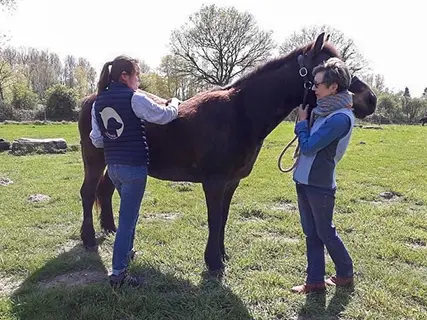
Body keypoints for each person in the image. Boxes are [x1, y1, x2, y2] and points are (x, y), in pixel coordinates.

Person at [89, 55, 180, 288]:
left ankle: (127, 253)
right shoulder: (135, 99)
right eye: (137, 75)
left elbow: (97, 140)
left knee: (131, 214)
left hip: (114, 169)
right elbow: (164, 116)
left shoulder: (98, 102)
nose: (138, 81)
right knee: (127, 221)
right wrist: (175, 102)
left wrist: (115, 140)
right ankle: (118, 274)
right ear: (124, 76)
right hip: (134, 169)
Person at [291, 57, 355, 294]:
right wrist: (307, 122)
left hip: (319, 185)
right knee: (312, 232)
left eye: (318, 84)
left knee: (325, 232)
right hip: (305, 180)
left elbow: (309, 147)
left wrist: (302, 123)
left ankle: (345, 273)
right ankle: (315, 281)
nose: (314, 88)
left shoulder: (339, 118)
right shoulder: (325, 113)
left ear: (333, 87)